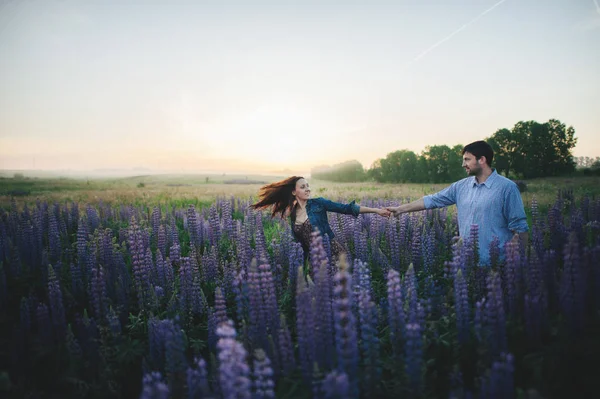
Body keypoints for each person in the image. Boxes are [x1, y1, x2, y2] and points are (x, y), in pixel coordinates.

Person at [386, 140, 529, 265]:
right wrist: (400, 209)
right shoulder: (461, 186)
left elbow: (520, 227)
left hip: (498, 264)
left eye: (467, 159)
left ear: (482, 160)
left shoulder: (507, 188)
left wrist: (520, 264)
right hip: (467, 262)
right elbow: (433, 199)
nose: (463, 164)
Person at [250, 176, 390, 264]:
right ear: (294, 192)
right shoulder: (292, 214)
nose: (307, 189)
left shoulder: (319, 203)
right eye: (303, 187)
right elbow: (300, 244)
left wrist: (377, 211)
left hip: (334, 254)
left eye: (308, 186)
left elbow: (347, 208)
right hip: (315, 261)